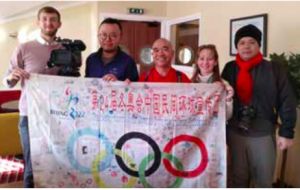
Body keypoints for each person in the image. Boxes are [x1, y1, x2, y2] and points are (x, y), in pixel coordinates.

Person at [221, 24, 297, 187]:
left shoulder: (274, 69)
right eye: (242, 42)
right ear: (236, 46)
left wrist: (286, 132)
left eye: (251, 42)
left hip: (262, 133)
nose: (246, 46)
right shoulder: (230, 68)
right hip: (235, 132)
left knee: (263, 179)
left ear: (259, 45)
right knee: (237, 177)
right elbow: (218, 97)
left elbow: (286, 100)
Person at [2, 6, 62, 188]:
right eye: (44, 19)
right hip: (29, 115)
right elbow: (7, 81)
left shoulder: (66, 49)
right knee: (31, 166)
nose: (48, 23)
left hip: (57, 115)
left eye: (53, 19)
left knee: (58, 163)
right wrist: (12, 77)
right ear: (38, 22)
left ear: (59, 23)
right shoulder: (24, 48)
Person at [191, 44, 234, 120]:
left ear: (215, 62)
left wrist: (228, 99)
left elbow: (227, 116)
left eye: (210, 59)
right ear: (197, 61)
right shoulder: (188, 84)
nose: (205, 62)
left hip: (214, 129)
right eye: (202, 58)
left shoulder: (224, 84)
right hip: (195, 129)